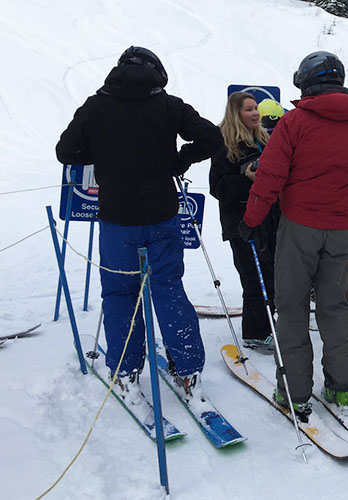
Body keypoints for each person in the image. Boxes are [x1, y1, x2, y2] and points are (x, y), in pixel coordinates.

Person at [56, 46, 222, 404]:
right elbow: (212, 138)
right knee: (168, 288)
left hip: (117, 221)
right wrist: (179, 160)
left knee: (120, 294)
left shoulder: (96, 105)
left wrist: (101, 156)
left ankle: (126, 370)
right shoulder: (168, 104)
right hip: (161, 216)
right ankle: (189, 370)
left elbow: (65, 151)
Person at [240, 51, 348, 412]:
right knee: (334, 306)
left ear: (306, 82)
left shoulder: (295, 122)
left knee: (292, 308)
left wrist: (251, 220)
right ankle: (343, 386)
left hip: (300, 227)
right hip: (342, 226)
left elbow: (270, 177)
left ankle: (295, 392)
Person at [209, 91, 279, 352]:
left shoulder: (263, 139)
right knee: (254, 276)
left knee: (270, 273)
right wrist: (245, 180)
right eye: (248, 109)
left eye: (255, 109)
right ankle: (256, 332)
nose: (255, 113)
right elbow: (217, 187)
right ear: (236, 114)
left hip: (269, 217)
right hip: (241, 222)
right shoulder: (226, 144)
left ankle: (267, 323)